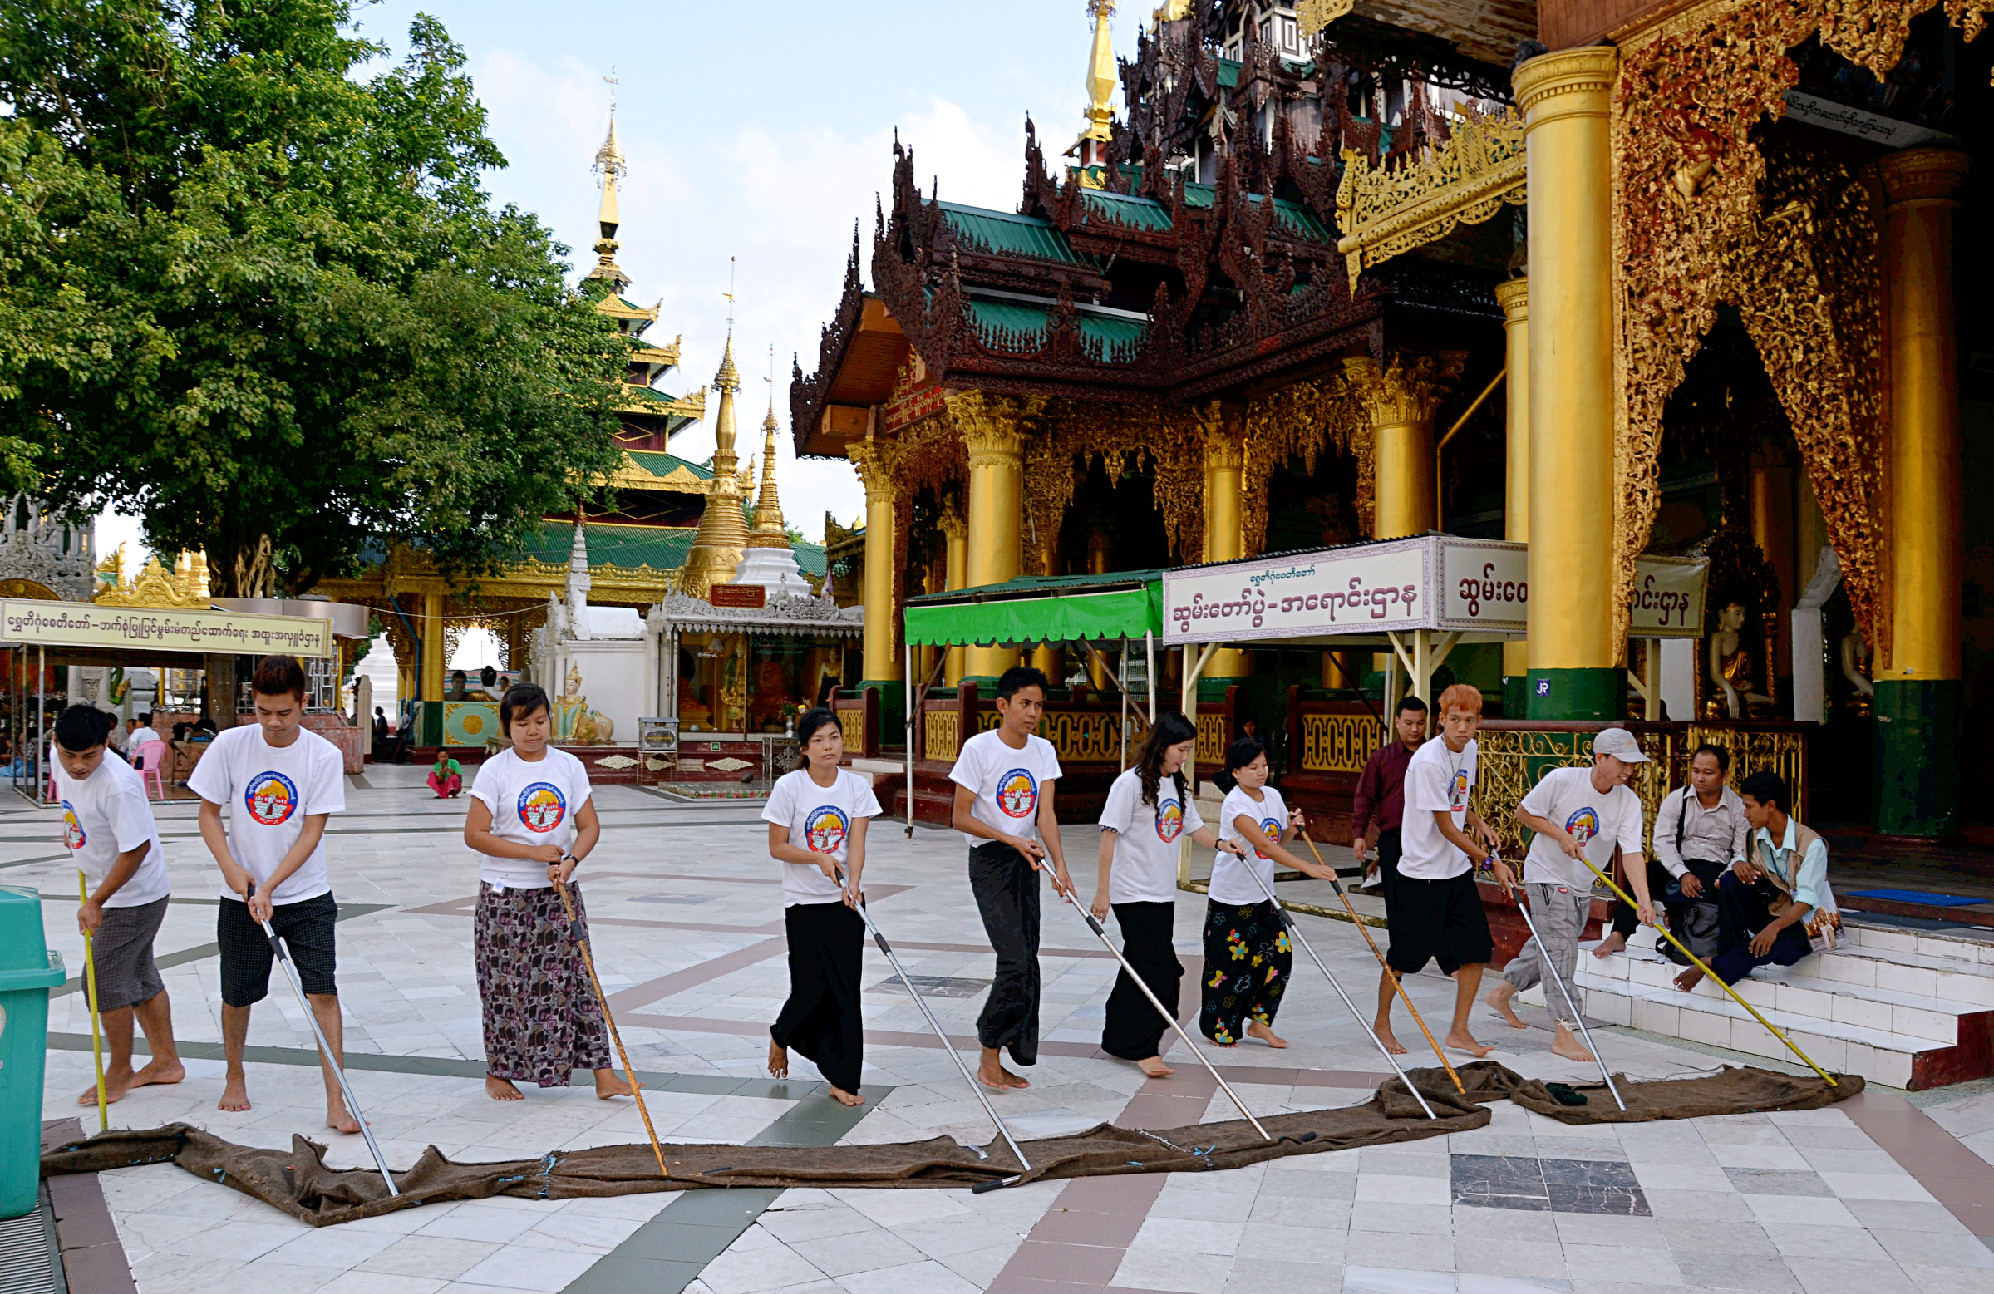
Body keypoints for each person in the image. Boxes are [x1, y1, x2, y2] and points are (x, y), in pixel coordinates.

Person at [190, 655, 356, 1131]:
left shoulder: (320, 755)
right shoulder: (230, 745)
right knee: (237, 994)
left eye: (284, 712)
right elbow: (207, 813)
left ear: (304, 703)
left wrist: (271, 886)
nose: (274, 723)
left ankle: (336, 1100)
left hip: (305, 896)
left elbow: (311, 832)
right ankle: (234, 1075)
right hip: (239, 897)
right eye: (263, 712)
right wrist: (231, 868)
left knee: (322, 990)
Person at [463, 681, 636, 1101]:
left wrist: (570, 860)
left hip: (560, 894)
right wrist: (532, 852)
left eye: (540, 721)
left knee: (580, 979)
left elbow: (589, 826)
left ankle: (603, 1073)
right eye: (523, 724)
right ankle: (499, 1072)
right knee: (506, 984)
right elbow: (474, 834)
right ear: (507, 727)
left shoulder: (568, 766)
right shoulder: (496, 770)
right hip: (505, 898)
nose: (533, 731)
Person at [1486, 728, 1654, 1062]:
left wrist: (1644, 901)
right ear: (1600, 758)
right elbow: (1524, 812)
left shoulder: (1628, 802)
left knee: (1551, 944)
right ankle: (1564, 1030)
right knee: (1562, 949)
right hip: (1546, 875)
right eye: (1622, 762)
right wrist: (1559, 834)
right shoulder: (1562, 780)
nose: (1629, 771)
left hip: (1580, 883)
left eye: (1633, 764)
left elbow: (1632, 853)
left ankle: (1502, 992)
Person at [1092, 712, 1246, 1076]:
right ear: (1161, 745)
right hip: (1131, 892)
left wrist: (1223, 844)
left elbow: (1193, 828)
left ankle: (1117, 1037)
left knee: (1137, 966)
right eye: (1181, 749)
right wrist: (1103, 891)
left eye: (1189, 750)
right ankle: (1145, 1048)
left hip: (1162, 893)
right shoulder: (1128, 784)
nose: (1184, 757)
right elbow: (1108, 835)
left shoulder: (1177, 786)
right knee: (1160, 971)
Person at [950, 664, 1073, 1091]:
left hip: (1028, 861)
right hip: (990, 861)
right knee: (1014, 960)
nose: (1033, 713)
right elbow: (959, 816)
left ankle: (1006, 1052)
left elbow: (1047, 814)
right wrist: (1009, 839)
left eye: (1039, 705)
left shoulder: (1042, 751)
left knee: (1029, 961)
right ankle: (988, 1051)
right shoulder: (979, 750)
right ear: (1003, 705)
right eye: (1024, 704)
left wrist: (1061, 867)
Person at [52, 704, 183, 1104]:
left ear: (105, 744)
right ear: (55, 743)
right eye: (68, 755)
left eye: (88, 756)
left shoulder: (119, 784)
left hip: (134, 896)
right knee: (139, 977)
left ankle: (121, 1069)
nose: (77, 766)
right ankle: (166, 1063)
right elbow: (77, 807)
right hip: (115, 889)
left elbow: (136, 849)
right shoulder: (62, 761)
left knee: (102, 981)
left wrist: (96, 900)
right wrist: (73, 834)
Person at [1382, 684, 1514, 1058]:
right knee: (1404, 957)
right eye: (1454, 720)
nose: (1462, 728)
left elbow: (1458, 802)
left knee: (1475, 950)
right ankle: (1382, 1023)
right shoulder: (1427, 761)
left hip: (1454, 872)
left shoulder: (1469, 749)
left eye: (1469, 721)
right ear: (1440, 720)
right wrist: (1490, 862)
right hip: (1420, 873)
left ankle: (1459, 1031)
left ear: (1477, 723)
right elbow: (1445, 827)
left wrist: (1480, 822)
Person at [763, 706, 880, 1107]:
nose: (829, 746)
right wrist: (818, 857)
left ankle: (843, 1078)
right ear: (804, 748)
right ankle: (782, 1033)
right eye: (818, 740)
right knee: (811, 990)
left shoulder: (856, 786)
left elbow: (858, 843)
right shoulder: (790, 788)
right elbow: (777, 846)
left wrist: (856, 885)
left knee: (846, 993)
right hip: (803, 904)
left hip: (845, 902)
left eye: (834, 736)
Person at [1199, 735, 1340, 1047]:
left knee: (1279, 958)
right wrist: (1310, 868)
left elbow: (1274, 845)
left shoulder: (1273, 796)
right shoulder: (1235, 803)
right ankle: (1219, 1029)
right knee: (1227, 967)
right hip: (1231, 898)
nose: (1261, 772)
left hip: (1262, 895)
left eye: (1264, 765)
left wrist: (1290, 828)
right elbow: (1261, 843)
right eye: (1253, 767)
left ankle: (1260, 1022)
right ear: (1236, 772)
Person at [1675, 769, 1837, 991]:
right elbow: (1742, 859)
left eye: (1749, 806)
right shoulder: (1755, 837)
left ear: (1770, 805)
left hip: (1807, 922)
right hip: (1774, 910)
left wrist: (1773, 929)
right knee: (1732, 881)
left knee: (1787, 950)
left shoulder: (1811, 845)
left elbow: (1806, 901)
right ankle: (1728, 952)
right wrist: (1740, 864)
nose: (1745, 814)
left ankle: (1716, 963)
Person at [1596, 742, 1744, 960]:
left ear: (1725, 775)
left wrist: (1724, 877)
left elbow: (1743, 851)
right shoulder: (1678, 799)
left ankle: (1680, 929)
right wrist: (1682, 873)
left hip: (1716, 871)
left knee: (1716, 891)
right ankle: (1619, 934)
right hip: (1680, 866)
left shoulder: (1737, 807)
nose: (1700, 778)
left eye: (1708, 773)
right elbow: (1663, 842)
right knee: (1646, 874)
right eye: (1695, 771)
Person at [1353, 696, 1428, 894]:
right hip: (1393, 840)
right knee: (1394, 900)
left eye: (1420, 723)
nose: (1414, 729)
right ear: (1397, 722)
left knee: (1424, 899)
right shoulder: (1382, 758)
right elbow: (1364, 797)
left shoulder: (1434, 755)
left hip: (1428, 840)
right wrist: (1359, 835)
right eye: (1408, 723)